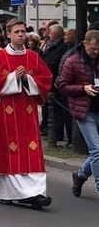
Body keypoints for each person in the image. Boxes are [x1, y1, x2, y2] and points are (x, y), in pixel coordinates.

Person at [0, 19, 52, 210]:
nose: (21, 35)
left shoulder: (33, 57)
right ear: (8, 35)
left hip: (26, 111)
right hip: (4, 113)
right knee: (7, 151)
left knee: (30, 150)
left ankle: (35, 193)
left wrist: (26, 78)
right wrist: (12, 77)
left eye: (23, 31)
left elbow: (46, 80)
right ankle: (9, 193)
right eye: (16, 32)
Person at [58, 29, 99, 198]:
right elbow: (62, 85)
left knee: (98, 151)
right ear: (85, 44)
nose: (96, 52)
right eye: (92, 49)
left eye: (98, 49)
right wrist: (83, 88)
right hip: (84, 111)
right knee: (96, 149)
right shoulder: (72, 61)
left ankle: (80, 175)